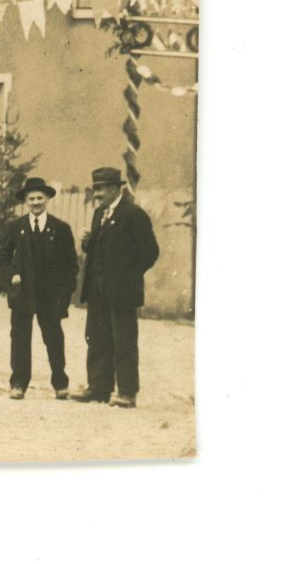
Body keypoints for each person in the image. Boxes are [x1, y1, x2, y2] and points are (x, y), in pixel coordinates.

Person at [73, 167, 159, 408]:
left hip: (122, 290)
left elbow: (151, 252)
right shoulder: (100, 213)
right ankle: (98, 388)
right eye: (95, 189)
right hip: (98, 288)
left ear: (114, 188)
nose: (97, 194)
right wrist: (88, 244)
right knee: (97, 337)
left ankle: (127, 392)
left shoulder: (133, 214)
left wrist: (128, 276)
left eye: (100, 189)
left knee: (123, 340)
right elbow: (102, 249)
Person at [0, 176, 78, 400]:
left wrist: (64, 293)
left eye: (40, 198)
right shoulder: (16, 227)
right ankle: (19, 383)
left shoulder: (60, 228)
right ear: (25, 202)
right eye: (31, 198)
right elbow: (1, 258)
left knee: (53, 338)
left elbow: (72, 265)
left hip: (50, 296)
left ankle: (60, 383)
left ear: (47, 199)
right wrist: (12, 275)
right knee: (20, 338)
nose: (36, 202)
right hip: (23, 293)